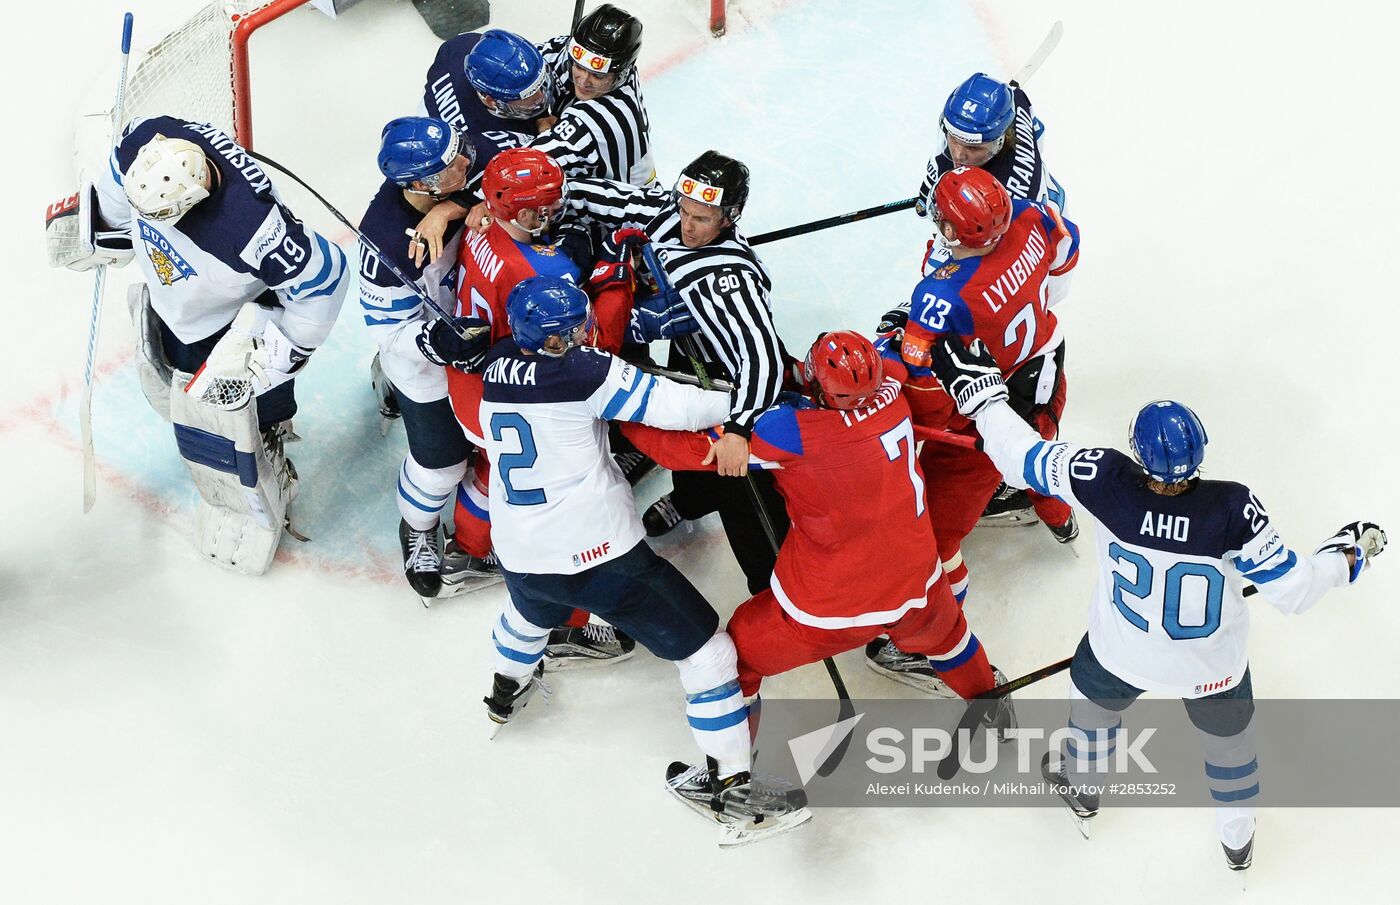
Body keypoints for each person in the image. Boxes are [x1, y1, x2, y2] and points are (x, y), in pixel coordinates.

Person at [928, 334, 1389, 871]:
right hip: (1212, 670)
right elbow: (1296, 590)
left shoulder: (1104, 478)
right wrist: (1348, 555)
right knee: (1231, 754)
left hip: (1117, 655)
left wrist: (984, 397)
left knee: (1091, 720)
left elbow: (1020, 457)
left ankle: (1083, 786)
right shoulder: (1232, 510)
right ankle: (1237, 841)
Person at [478, 276, 809, 843]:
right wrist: (756, 400)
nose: (584, 333)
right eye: (574, 330)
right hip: (599, 556)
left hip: (519, 546)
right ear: (556, 340)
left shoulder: (496, 362)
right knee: (710, 653)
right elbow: (680, 407)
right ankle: (731, 787)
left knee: (530, 611)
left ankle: (505, 690)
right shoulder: (583, 372)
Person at [623, 331, 1014, 724]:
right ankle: (991, 702)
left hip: (830, 607)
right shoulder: (894, 391)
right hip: (919, 584)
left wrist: (620, 413)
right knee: (950, 641)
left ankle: (731, 772)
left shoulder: (788, 431)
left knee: (731, 661)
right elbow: (891, 352)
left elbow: (677, 451)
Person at [46, 115, 348, 574]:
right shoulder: (146, 140)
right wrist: (99, 222)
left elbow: (327, 279)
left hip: (228, 321)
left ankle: (270, 440)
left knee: (249, 405)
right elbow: (113, 190)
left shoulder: (252, 227)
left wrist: (274, 355)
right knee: (185, 385)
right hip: (182, 304)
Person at [866, 165, 1080, 690]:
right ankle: (1058, 517)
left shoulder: (941, 297)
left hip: (987, 418)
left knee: (934, 538)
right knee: (1036, 456)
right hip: (1046, 372)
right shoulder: (1030, 217)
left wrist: (891, 340)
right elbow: (1067, 249)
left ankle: (920, 644)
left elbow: (923, 385)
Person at [561, 151, 793, 594]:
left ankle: (770, 587)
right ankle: (689, 499)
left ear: (729, 218)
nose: (687, 225)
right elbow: (603, 197)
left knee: (739, 487)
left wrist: (740, 431)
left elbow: (763, 359)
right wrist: (549, 194)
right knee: (691, 458)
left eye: (702, 219)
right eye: (684, 211)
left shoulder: (728, 277)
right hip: (692, 364)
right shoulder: (669, 215)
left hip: (736, 388)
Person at [444, 146, 636, 663]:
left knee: (490, 472)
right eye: (535, 208)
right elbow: (593, 345)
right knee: (559, 511)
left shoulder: (483, 225)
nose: (546, 215)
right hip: (513, 398)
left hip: (469, 385)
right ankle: (566, 626)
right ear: (505, 205)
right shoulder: (541, 275)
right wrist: (615, 280)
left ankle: (466, 550)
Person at [893, 70, 1067, 528]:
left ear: (999, 143)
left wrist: (935, 300)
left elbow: (978, 264)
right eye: (953, 138)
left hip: (1007, 276)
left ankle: (1019, 486)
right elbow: (1021, 103)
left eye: (973, 149)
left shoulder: (1012, 197)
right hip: (1034, 283)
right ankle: (1052, 503)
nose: (959, 153)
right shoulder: (1012, 131)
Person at [359, 116, 495, 601]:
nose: (466, 164)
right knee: (442, 462)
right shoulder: (386, 243)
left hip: (478, 335)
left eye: (458, 153)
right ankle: (417, 527)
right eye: (450, 170)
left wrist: (452, 208)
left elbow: (495, 164)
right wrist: (438, 343)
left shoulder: (459, 157)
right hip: (426, 365)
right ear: (417, 184)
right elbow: (390, 332)